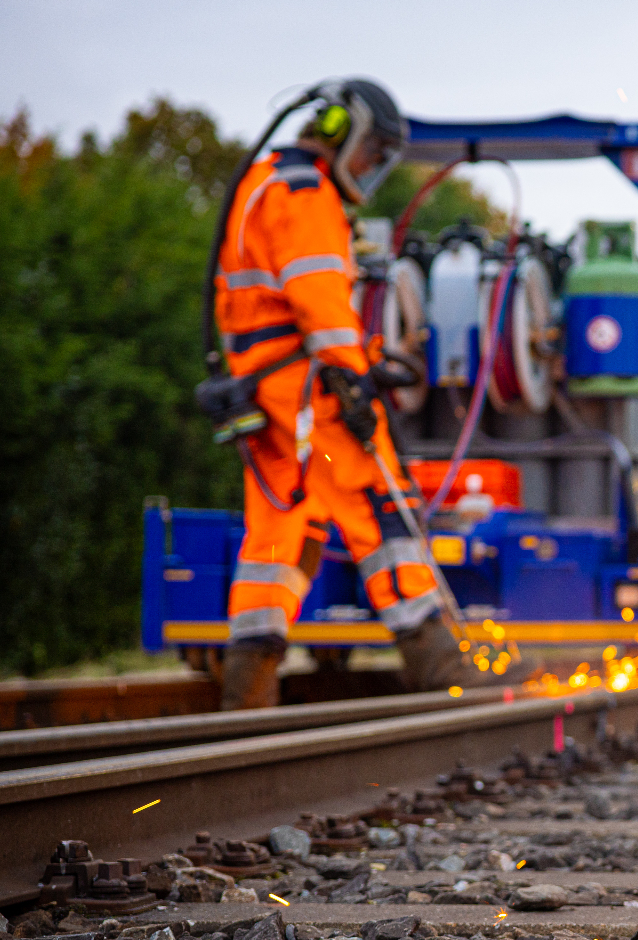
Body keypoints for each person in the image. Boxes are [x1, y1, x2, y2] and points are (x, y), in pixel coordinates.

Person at [212, 79, 481, 709]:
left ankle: (246, 689)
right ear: (339, 131)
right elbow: (321, 303)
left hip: (261, 388)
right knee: (377, 499)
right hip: (308, 390)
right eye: (371, 151)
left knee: (278, 528)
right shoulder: (306, 195)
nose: (368, 167)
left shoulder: (260, 182)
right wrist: (352, 378)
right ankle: (439, 660)